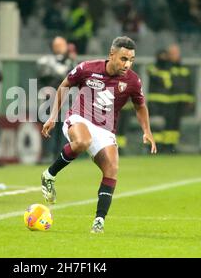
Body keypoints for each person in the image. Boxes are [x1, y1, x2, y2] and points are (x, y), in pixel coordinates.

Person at [41, 36, 157, 233]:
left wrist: (147, 131)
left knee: (112, 169)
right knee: (82, 142)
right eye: (123, 59)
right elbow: (64, 86)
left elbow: (140, 106)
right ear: (111, 55)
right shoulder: (87, 68)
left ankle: (99, 221)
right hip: (79, 118)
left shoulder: (133, 81)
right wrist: (52, 116)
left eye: (131, 60)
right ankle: (49, 175)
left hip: (105, 129)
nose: (127, 64)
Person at [37, 36, 76, 162]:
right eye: (57, 45)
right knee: (49, 127)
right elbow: (46, 77)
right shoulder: (46, 61)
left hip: (66, 99)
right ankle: (46, 154)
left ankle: (61, 155)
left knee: (63, 128)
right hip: (50, 99)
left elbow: (73, 78)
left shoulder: (70, 61)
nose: (60, 48)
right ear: (53, 47)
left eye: (62, 45)